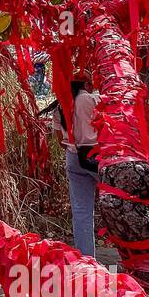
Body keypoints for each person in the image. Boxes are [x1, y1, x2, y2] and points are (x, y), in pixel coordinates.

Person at [49, 77, 100, 257]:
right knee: (119, 205)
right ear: (86, 84)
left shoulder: (60, 105)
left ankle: (86, 260)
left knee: (81, 212)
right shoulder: (91, 99)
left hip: (74, 157)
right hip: (99, 157)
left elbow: (60, 141)